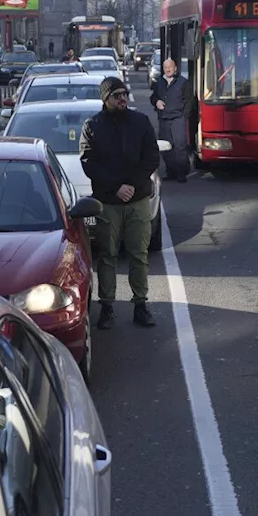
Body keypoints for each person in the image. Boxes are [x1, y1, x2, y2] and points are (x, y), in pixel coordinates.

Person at [80, 77, 161, 329]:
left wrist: (132, 186)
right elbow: (88, 162)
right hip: (108, 202)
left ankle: (140, 305)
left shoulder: (141, 122)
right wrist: (116, 187)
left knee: (139, 253)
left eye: (124, 94)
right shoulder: (93, 125)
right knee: (107, 255)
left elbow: (152, 158)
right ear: (106, 99)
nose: (122, 99)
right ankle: (107, 307)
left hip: (137, 200)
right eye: (116, 95)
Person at [151, 57, 191, 182]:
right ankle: (171, 172)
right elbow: (153, 97)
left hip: (178, 118)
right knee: (166, 148)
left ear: (175, 68)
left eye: (170, 67)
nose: (168, 70)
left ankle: (182, 173)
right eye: (166, 68)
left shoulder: (183, 82)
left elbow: (189, 100)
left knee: (180, 147)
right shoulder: (159, 82)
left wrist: (184, 115)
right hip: (163, 119)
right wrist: (156, 102)